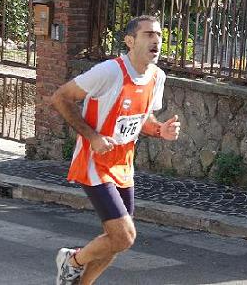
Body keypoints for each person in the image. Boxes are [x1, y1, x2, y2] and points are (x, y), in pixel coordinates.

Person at [51, 15, 181, 285]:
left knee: (116, 241)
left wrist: (160, 130)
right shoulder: (109, 72)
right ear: (130, 41)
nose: (156, 39)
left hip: (124, 164)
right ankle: (71, 260)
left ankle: (80, 282)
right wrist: (93, 136)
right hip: (94, 160)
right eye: (148, 34)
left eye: (158, 34)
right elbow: (60, 97)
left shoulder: (157, 77)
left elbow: (143, 118)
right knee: (124, 236)